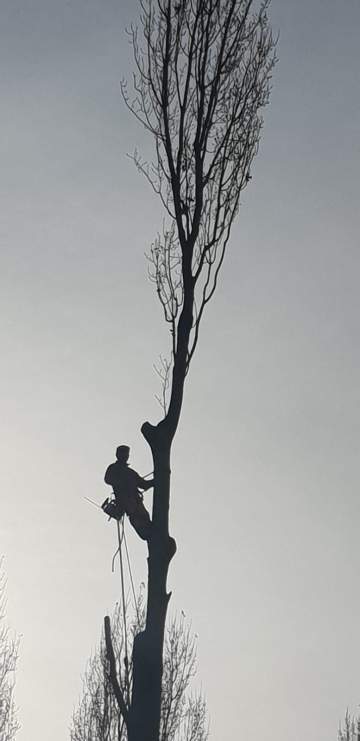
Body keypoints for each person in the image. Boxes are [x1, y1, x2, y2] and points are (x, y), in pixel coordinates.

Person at [103, 445, 154, 541]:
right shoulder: (114, 468)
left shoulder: (130, 472)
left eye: (126, 454)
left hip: (137, 502)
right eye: (123, 453)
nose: (125, 456)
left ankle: (152, 535)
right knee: (139, 523)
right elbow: (107, 479)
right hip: (127, 503)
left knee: (145, 519)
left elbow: (144, 484)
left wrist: (156, 481)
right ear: (118, 455)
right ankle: (149, 536)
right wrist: (121, 482)